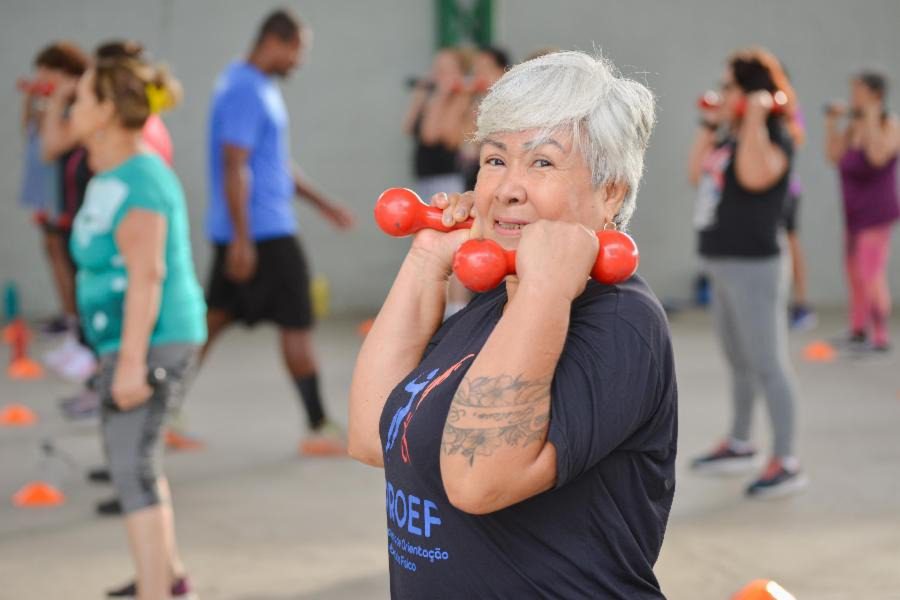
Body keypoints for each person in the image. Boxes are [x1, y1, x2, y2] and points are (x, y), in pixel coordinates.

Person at [350, 51, 676, 598]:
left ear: (611, 191)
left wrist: (546, 286)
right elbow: (371, 435)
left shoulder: (623, 321)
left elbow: (479, 480)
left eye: (542, 163)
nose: (507, 188)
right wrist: (429, 259)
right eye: (495, 160)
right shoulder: (495, 298)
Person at [68, 52, 206, 599]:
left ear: (104, 111)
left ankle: (158, 591)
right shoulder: (110, 174)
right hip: (128, 340)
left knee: (131, 469)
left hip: (153, 341)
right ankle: (167, 578)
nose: (70, 108)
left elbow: (148, 274)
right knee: (136, 459)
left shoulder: (143, 178)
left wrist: (128, 365)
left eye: (79, 99)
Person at [204, 9, 354, 456]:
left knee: (211, 321)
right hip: (263, 234)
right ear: (276, 41)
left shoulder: (251, 85)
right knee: (297, 324)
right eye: (299, 50)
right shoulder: (246, 89)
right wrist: (244, 239)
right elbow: (236, 167)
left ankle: (160, 406)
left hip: (255, 229)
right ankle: (318, 425)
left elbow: (272, 164)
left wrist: (323, 204)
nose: (300, 61)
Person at [688, 48, 807, 498]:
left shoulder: (775, 135)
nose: (723, 93)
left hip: (755, 264)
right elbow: (694, 174)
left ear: (752, 92)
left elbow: (755, 178)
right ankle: (740, 443)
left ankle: (787, 460)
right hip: (721, 261)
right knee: (738, 361)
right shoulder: (727, 136)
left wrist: (756, 117)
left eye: (731, 86)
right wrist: (710, 122)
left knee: (769, 364)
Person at [19, 42, 96, 381]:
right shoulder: (59, 100)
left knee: (78, 268)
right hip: (58, 197)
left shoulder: (81, 102)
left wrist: (60, 100)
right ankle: (75, 333)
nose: (41, 77)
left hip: (74, 200)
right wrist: (37, 98)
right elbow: (32, 132)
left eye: (45, 71)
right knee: (59, 256)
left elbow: (52, 148)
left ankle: (85, 342)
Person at [825, 70, 899, 353]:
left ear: (875, 94)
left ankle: (880, 337)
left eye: (859, 92)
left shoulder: (889, 124)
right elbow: (834, 156)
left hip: (876, 214)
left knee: (871, 273)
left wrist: (870, 114)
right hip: (853, 214)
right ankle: (858, 330)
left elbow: (877, 155)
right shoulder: (853, 126)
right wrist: (832, 124)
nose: (853, 97)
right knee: (854, 273)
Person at [404, 48, 473, 318]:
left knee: (453, 244)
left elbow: (434, 135)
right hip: (426, 178)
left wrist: (442, 95)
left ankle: (456, 311)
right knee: (430, 243)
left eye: (445, 69)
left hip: (448, 179)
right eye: (437, 68)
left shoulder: (461, 98)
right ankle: (436, 310)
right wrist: (421, 97)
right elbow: (409, 127)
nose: (438, 74)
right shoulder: (432, 98)